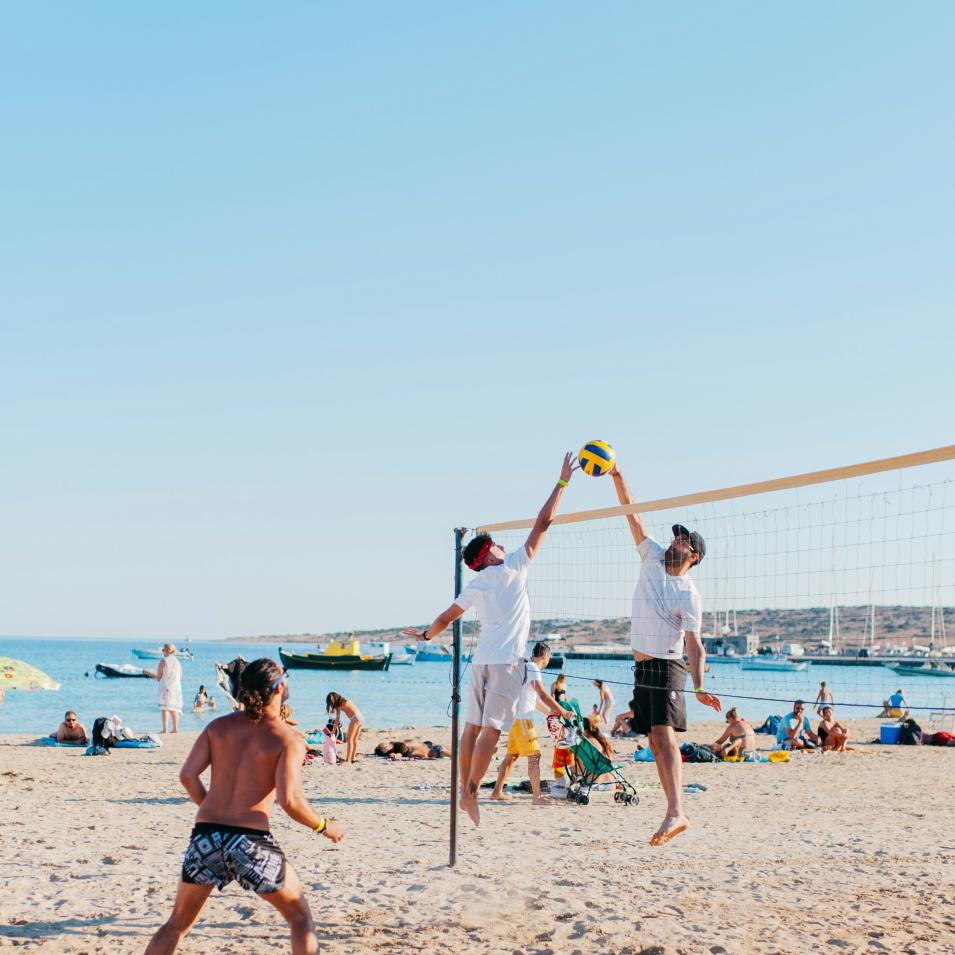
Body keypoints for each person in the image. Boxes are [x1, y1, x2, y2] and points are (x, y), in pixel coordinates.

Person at [402, 452, 577, 827]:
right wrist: (562, 482)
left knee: (472, 729)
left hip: (482, 661)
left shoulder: (478, 583)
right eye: (496, 544)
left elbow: (447, 617)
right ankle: (470, 793)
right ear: (490, 554)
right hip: (507, 663)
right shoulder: (513, 566)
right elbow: (543, 523)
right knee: (491, 734)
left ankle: (464, 789)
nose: (501, 545)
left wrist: (426, 635)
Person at [144, 658, 344, 955]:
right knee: (300, 917)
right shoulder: (287, 739)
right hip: (250, 842)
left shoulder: (217, 726)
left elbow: (187, 776)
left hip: (206, 837)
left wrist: (211, 806)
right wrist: (324, 825)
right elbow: (290, 801)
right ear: (278, 688)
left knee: (177, 924)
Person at [610, 462, 721, 847]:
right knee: (654, 741)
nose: (674, 542)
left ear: (694, 556)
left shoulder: (689, 593)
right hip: (642, 667)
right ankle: (672, 810)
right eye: (675, 538)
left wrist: (700, 684)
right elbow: (633, 515)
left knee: (664, 735)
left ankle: (677, 811)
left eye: (682, 541)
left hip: (668, 665)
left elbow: (695, 643)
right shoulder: (652, 557)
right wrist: (618, 475)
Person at [491, 642, 572, 806]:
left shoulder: (525, 666)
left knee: (512, 756)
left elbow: (533, 701)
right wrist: (563, 712)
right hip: (522, 720)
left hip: (514, 718)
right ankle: (537, 797)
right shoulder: (533, 668)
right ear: (546, 656)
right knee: (535, 755)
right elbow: (543, 695)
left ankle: (497, 792)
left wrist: (550, 713)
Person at [326, 692, 363, 764]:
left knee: (350, 740)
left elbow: (337, 720)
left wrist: (333, 731)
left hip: (355, 719)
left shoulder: (339, 705)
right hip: (361, 718)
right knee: (354, 740)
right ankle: (353, 758)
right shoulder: (345, 701)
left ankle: (348, 760)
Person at [156, 643, 183, 734]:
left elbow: (158, 677)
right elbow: (180, 676)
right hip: (176, 687)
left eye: (163, 650)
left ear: (167, 651)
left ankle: (165, 729)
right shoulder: (177, 662)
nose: (163, 652)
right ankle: (175, 729)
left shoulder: (163, 661)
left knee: (164, 708)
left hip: (165, 686)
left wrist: (157, 677)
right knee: (174, 708)